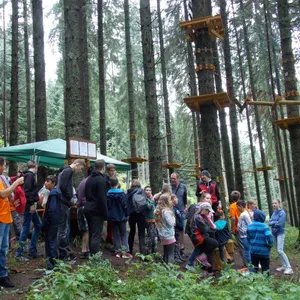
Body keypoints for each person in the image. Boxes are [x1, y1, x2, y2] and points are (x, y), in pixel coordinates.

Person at [0, 158, 24, 288]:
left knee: (4, 249)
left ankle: (3, 275)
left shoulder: (2, 178)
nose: (4, 168)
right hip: (0, 218)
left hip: (5, 217)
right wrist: (17, 183)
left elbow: (8, 195)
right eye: (3, 166)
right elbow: (3, 194)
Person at [56, 159, 85, 260]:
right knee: (62, 230)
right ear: (77, 164)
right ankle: (62, 255)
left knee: (63, 229)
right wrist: (70, 198)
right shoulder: (68, 171)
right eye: (81, 168)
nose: (80, 171)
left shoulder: (65, 171)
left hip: (63, 203)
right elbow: (63, 187)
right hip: (63, 203)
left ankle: (64, 252)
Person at [16, 160, 42, 261]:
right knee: (26, 227)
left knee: (38, 225)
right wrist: (31, 204)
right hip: (29, 205)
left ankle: (32, 250)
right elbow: (27, 192)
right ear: (36, 166)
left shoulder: (28, 176)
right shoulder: (29, 176)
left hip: (31, 204)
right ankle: (19, 253)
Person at [187, 202, 218, 277]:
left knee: (207, 253)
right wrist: (209, 225)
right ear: (204, 209)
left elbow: (212, 228)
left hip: (202, 237)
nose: (209, 213)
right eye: (208, 211)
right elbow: (205, 229)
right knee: (215, 243)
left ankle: (207, 271)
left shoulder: (203, 216)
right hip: (199, 238)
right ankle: (202, 261)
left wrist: (209, 223)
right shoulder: (198, 217)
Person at [84, 159, 108, 255]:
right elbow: (102, 198)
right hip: (97, 210)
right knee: (96, 235)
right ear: (103, 167)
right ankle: (96, 258)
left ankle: (92, 255)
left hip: (88, 208)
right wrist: (105, 213)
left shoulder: (89, 179)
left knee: (91, 233)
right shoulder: (101, 180)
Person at [107, 178, 131, 258]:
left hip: (112, 217)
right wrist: (127, 214)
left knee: (115, 233)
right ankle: (125, 251)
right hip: (121, 216)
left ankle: (117, 250)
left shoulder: (108, 194)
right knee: (123, 233)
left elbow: (108, 206)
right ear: (117, 184)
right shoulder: (122, 194)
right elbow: (125, 205)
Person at [269, 199, 293, 275]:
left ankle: (289, 268)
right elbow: (269, 222)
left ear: (279, 204)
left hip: (280, 233)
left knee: (280, 250)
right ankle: (284, 266)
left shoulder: (282, 213)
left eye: (275, 203)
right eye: (273, 203)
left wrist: (273, 223)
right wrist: (274, 222)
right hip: (274, 233)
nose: (274, 205)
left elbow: (280, 224)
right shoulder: (274, 213)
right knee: (278, 250)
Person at [42, 175, 61, 270]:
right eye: (46, 181)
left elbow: (52, 210)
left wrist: (47, 221)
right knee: (51, 242)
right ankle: (54, 263)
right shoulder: (54, 192)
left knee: (51, 243)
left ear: (53, 183)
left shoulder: (53, 194)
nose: (46, 182)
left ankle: (52, 265)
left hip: (52, 223)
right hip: (53, 222)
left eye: (48, 181)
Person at [247, 210, 273, 275]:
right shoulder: (264, 227)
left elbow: (248, 238)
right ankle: (266, 282)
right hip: (264, 252)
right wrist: (270, 246)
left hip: (253, 251)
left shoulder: (249, 226)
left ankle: (254, 283)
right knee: (265, 269)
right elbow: (270, 238)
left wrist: (252, 245)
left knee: (254, 269)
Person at [127, 179, 147, 254]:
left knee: (132, 232)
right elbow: (144, 202)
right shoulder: (142, 191)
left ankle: (129, 251)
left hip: (132, 214)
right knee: (141, 233)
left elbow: (127, 203)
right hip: (141, 214)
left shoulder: (129, 192)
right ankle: (142, 252)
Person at [155, 193, 176, 264]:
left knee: (166, 252)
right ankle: (170, 269)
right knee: (171, 253)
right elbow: (171, 223)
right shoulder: (166, 212)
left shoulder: (158, 211)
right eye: (170, 200)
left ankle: (165, 268)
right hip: (169, 235)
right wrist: (173, 217)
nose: (171, 201)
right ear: (166, 201)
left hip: (162, 235)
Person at [76, 168, 92, 259]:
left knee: (84, 230)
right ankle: (87, 251)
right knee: (88, 230)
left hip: (79, 206)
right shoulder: (90, 182)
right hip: (85, 206)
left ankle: (84, 249)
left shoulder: (83, 181)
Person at [170, 173, 187, 256]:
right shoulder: (170, 187)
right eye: (171, 178)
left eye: (174, 178)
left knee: (181, 228)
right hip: (172, 210)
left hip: (181, 210)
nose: (172, 180)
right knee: (174, 227)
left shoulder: (183, 187)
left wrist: (185, 207)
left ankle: (182, 246)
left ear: (177, 178)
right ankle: (174, 246)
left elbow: (185, 197)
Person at [229, 190, 245, 266]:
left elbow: (233, 218)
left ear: (232, 198)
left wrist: (232, 229)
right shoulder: (243, 204)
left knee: (241, 246)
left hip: (238, 228)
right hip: (246, 227)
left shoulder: (232, 206)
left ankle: (246, 263)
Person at [236, 200, 252, 265]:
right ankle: (250, 265)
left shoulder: (245, 215)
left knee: (247, 251)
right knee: (246, 251)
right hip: (243, 236)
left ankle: (251, 266)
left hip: (245, 236)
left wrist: (244, 231)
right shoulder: (243, 214)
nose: (237, 208)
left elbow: (250, 224)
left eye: (237, 207)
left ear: (241, 206)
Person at [171, 194, 185, 263]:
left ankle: (178, 255)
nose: (177, 199)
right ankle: (176, 257)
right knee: (175, 243)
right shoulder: (172, 209)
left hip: (178, 228)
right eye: (175, 198)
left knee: (177, 242)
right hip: (175, 228)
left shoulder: (175, 208)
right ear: (172, 200)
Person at [105, 164, 117, 246]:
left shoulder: (115, 178)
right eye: (111, 171)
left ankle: (110, 236)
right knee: (110, 220)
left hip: (115, 201)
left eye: (113, 170)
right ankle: (110, 237)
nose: (113, 172)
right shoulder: (106, 179)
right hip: (109, 200)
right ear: (108, 171)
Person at [144, 186, 157, 255]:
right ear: (144, 191)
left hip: (153, 220)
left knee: (153, 237)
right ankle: (148, 252)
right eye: (146, 190)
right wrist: (152, 200)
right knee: (149, 236)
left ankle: (153, 251)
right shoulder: (144, 199)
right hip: (148, 221)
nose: (148, 191)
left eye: (149, 190)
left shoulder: (150, 199)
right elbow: (148, 207)